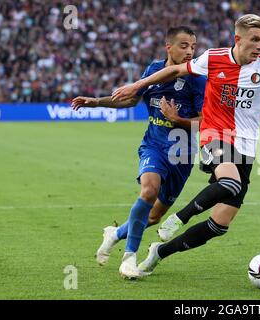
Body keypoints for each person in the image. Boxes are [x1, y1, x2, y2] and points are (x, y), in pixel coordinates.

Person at [111, 14, 260, 276]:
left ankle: (159, 252)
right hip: (215, 135)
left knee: (219, 225)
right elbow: (174, 70)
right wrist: (137, 84)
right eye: (254, 40)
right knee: (229, 183)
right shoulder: (214, 58)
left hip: (247, 147)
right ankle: (178, 218)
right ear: (238, 39)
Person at [71, 26, 206, 279]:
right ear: (169, 47)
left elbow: (205, 121)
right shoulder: (153, 71)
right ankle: (129, 258)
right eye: (184, 46)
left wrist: (177, 119)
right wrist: (97, 101)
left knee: (153, 217)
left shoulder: (197, 78)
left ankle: (115, 233)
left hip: (182, 155)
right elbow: (131, 99)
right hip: (154, 146)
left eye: (193, 47)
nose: (190, 52)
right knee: (148, 190)